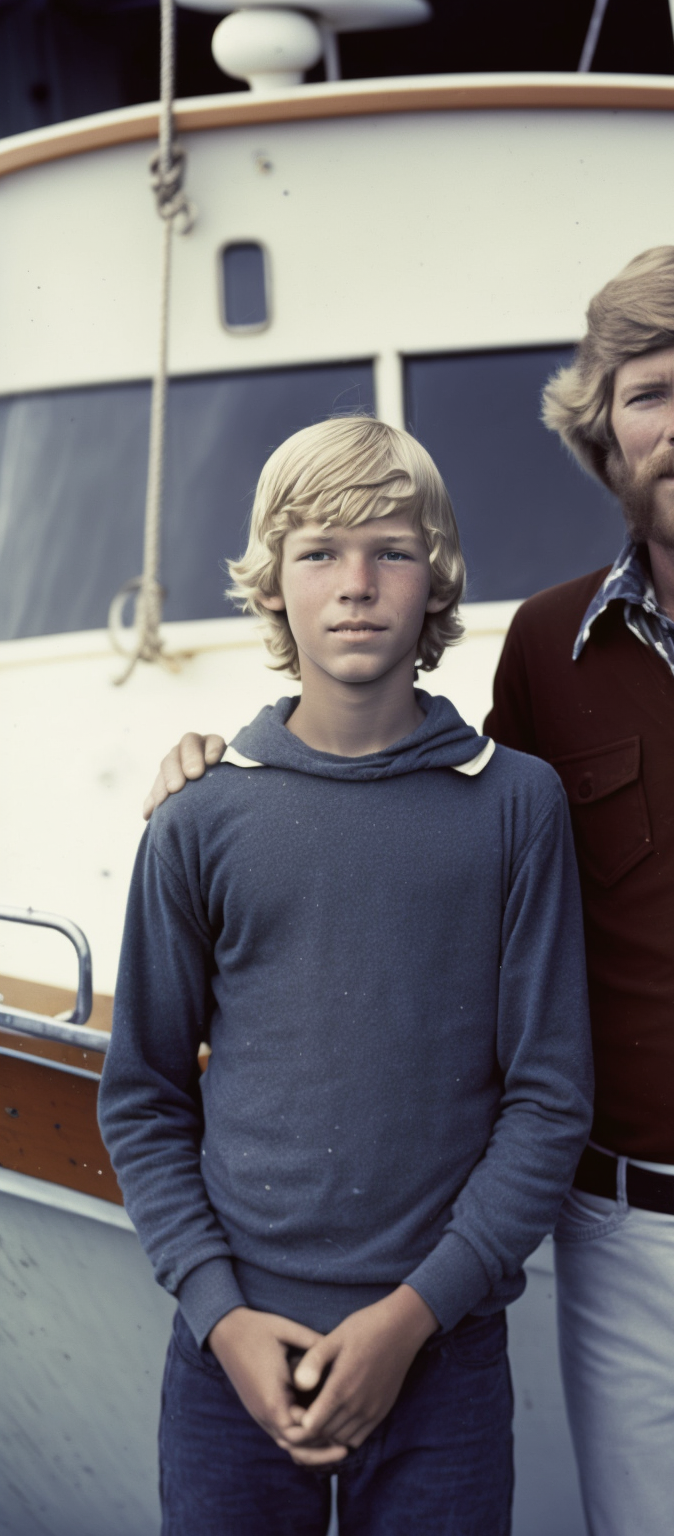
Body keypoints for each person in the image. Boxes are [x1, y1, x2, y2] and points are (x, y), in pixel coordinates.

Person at [145, 248, 674, 1536]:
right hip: (623, 1255)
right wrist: (217, 773)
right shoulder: (551, 660)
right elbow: (414, 825)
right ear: (601, 435)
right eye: (644, 397)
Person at [100, 415, 593, 1536]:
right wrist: (222, 1318)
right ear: (272, 586)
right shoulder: (200, 822)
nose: (357, 584)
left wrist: (411, 1318)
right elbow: (143, 1097)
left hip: (442, 1362)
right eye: (319, 552)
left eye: (393, 551)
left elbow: (549, 1098)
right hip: (230, 1367)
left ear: (438, 581)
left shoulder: (516, 807)